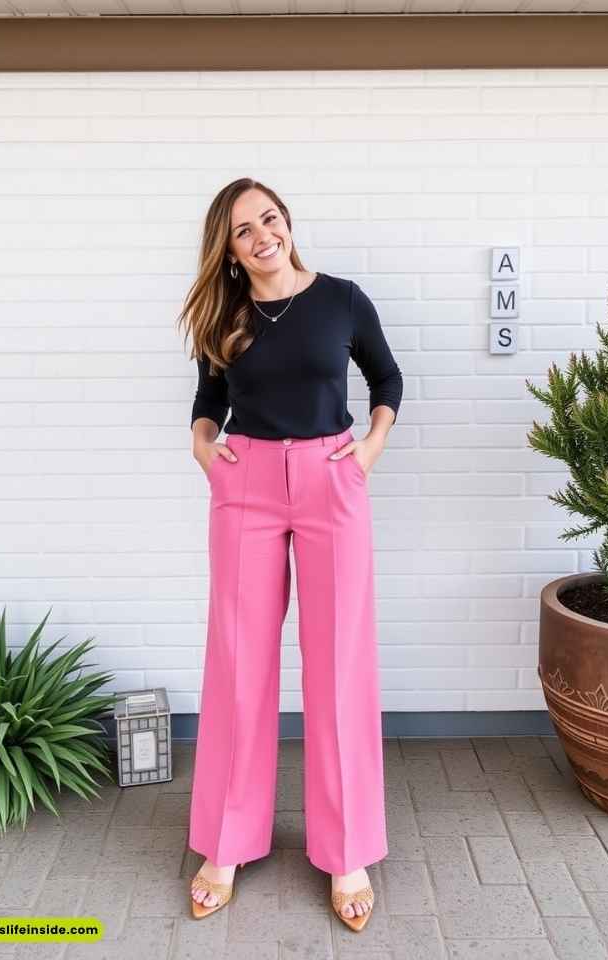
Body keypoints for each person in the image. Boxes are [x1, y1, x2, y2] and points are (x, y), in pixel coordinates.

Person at [176, 177, 403, 933]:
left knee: (338, 660)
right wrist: (204, 447)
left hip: (330, 480)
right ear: (231, 251)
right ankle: (227, 842)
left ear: (286, 222)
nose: (261, 235)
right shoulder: (225, 314)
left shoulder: (341, 298)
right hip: (245, 487)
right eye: (243, 230)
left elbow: (388, 376)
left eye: (268, 218)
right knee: (240, 661)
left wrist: (368, 448)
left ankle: (347, 851)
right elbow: (209, 402)